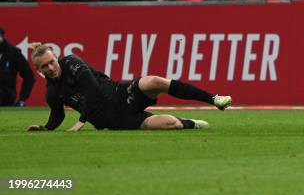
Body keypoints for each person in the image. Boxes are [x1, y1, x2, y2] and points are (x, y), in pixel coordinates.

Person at [26, 43, 232, 131]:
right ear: (39, 70)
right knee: (171, 124)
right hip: (116, 120)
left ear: (56, 57)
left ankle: (214, 99)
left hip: (120, 94)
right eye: (45, 66)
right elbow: (57, 116)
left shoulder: (71, 62)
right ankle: (191, 124)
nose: (52, 67)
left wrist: (81, 120)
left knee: (154, 81)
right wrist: (45, 128)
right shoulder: (52, 92)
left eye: (52, 61)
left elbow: (92, 88)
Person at [0, 28, 35, 106]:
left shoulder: (13, 53)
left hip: (6, 95)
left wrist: (22, 99)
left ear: (2, 37)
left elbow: (29, 76)